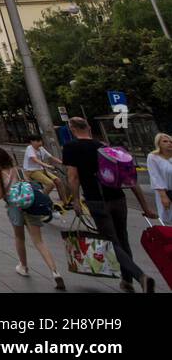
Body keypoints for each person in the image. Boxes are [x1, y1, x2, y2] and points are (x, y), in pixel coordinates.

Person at [62, 117, 158, 293]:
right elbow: (130, 179)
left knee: (111, 242)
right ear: (89, 127)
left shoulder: (71, 147)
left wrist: (75, 200)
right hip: (118, 198)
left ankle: (140, 277)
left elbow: (73, 177)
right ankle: (127, 282)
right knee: (123, 238)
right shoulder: (104, 146)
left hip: (96, 200)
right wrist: (144, 206)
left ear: (72, 128)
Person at [0, 146, 66, 290]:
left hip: (14, 208)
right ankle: (55, 272)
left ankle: (23, 266)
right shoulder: (17, 170)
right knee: (39, 241)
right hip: (30, 205)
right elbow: (27, 185)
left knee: (19, 238)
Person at [22, 133, 67, 207]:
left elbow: (51, 157)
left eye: (40, 141)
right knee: (50, 184)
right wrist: (47, 165)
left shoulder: (41, 149)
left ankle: (65, 203)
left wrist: (63, 163)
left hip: (41, 170)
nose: (40, 143)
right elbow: (35, 159)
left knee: (58, 181)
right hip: (31, 171)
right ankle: (40, 201)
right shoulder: (29, 148)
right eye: (37, 141)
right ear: (32, 142)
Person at [148, 133, 172, 226]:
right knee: (167, 219)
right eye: (165, 141)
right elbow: (155, 176)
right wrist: (163, 196)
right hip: (165, 193)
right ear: (159, 144)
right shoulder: (153, 157)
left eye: (171, 141)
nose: (169, 143)